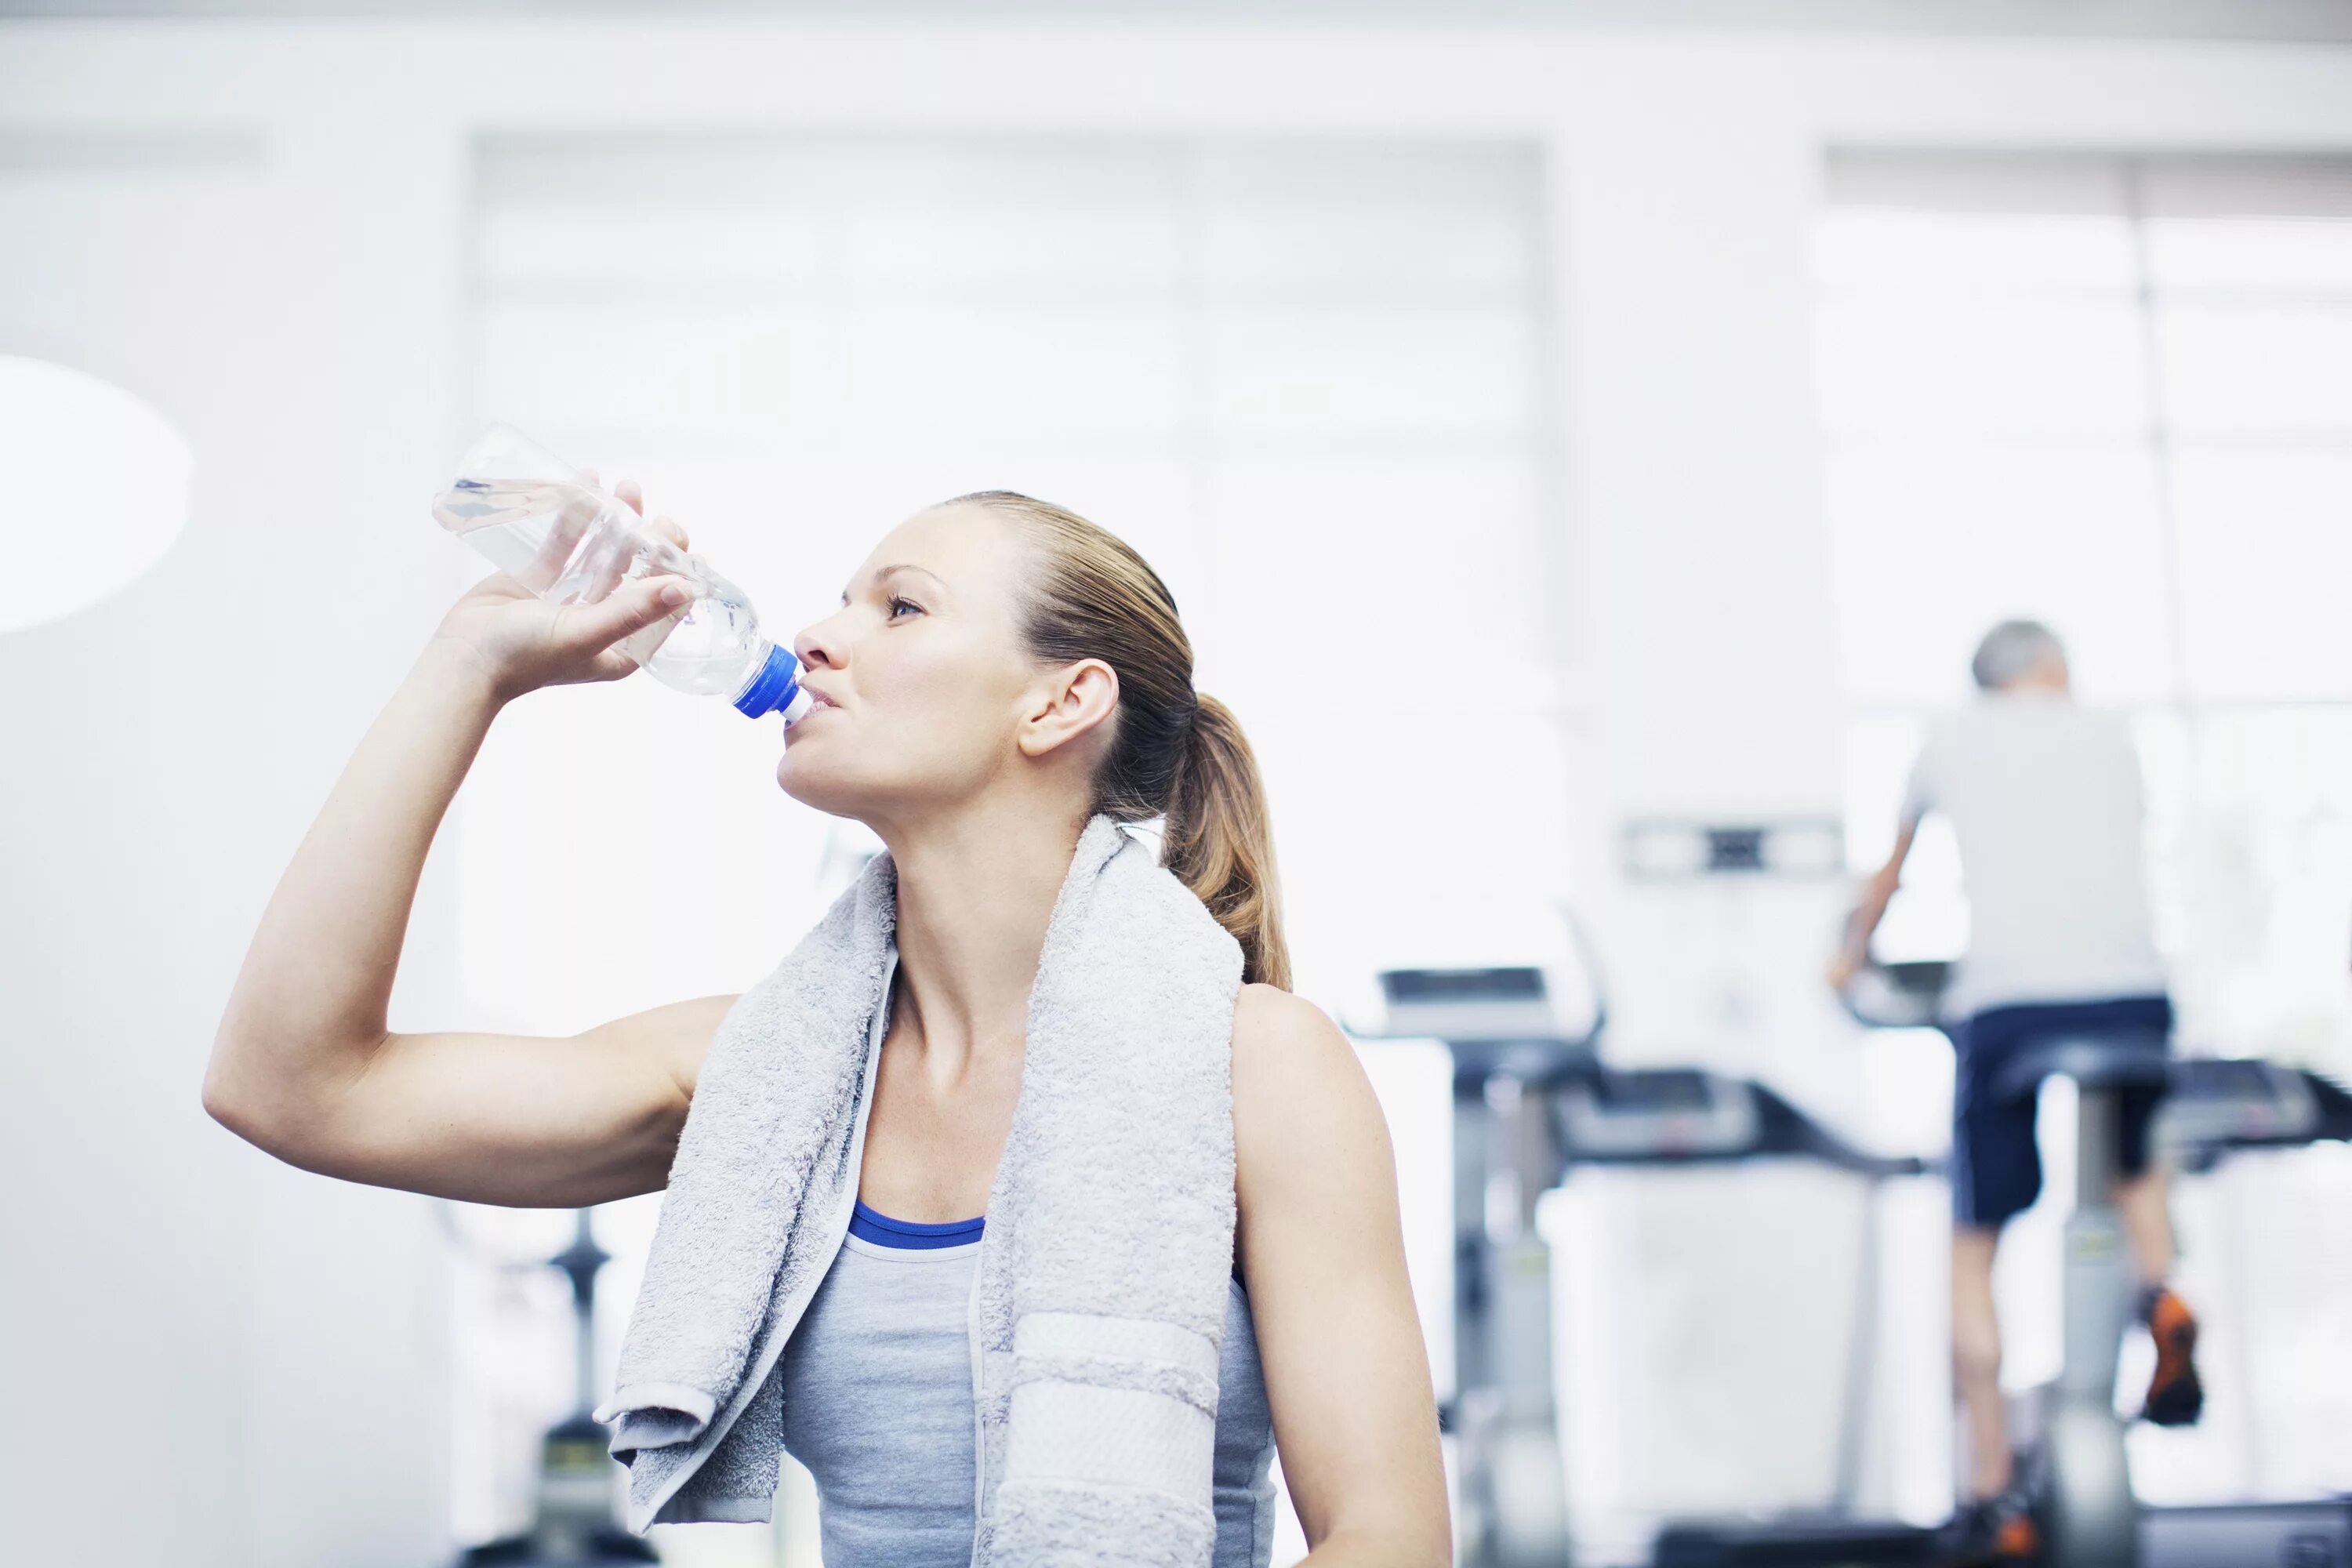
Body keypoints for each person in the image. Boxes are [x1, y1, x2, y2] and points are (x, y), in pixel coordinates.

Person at [205, 481, 1451, 1567]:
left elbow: (1390, 1540)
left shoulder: (1258, 1068)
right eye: (841, 602)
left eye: (898, 607)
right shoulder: (762, 1084)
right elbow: (293, 1086)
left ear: (1061, 704)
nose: (815, 637)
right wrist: (467, 669)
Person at [1829, 619, 2203, 1566]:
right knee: (2133, 1173)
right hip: (2131, 996)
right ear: (2053, 668)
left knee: (1975, 1242)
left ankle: (1994, 1487)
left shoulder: (1946, 737)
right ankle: (2162, 1294)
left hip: (2008, 1003)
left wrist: (1848, 958)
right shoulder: (2114, 733)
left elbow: (1891, 875)